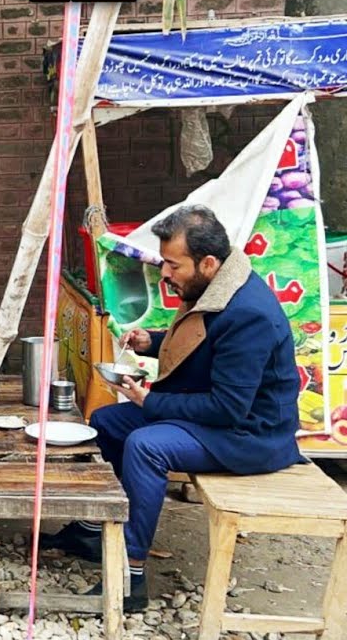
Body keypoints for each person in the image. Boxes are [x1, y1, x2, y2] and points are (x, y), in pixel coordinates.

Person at [40, 205, 303, 611]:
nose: (164, 273)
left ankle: (131, 575)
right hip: (221, 419)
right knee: (107, 421)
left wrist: (151, 401)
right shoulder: (215, 287)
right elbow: (206, 344)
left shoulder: (249, 314)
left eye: (172, 264)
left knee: (147, 445)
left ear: (209, 262)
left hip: (250, 435)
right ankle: (93, 531)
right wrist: (155, 341)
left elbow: (228, 408)